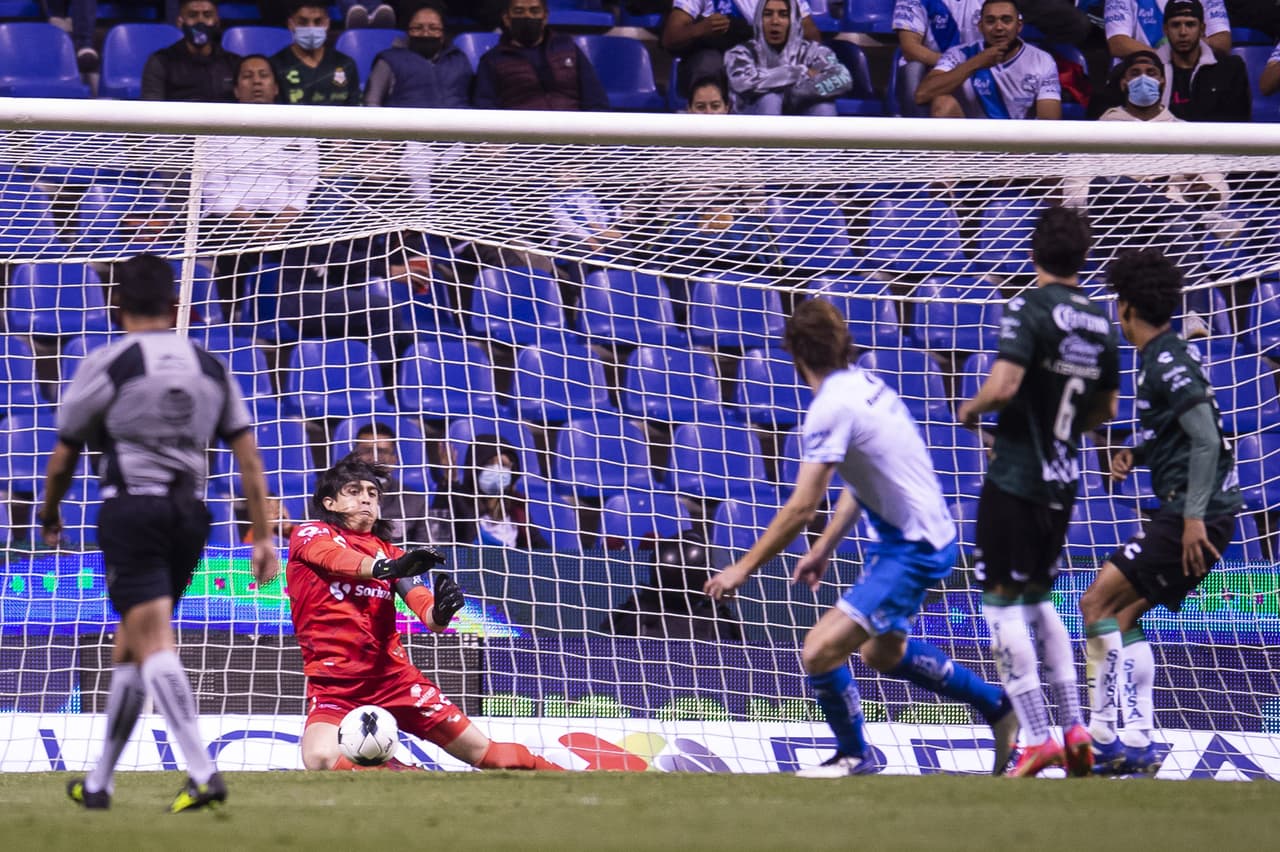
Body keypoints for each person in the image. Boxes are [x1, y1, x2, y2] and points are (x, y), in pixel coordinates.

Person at [704, 298, 1018, 778]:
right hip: (909, 537)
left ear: (795, 355)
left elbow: (801, 505)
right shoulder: (867, 384)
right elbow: (860, 481)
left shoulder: (830, 406)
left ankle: (854, 754)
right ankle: (997, 706)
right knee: (881, 652)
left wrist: (741, 567)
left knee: (819, 650)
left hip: (912, 547)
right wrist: (824, 547)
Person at [47, 254, 278, 812]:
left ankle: (202, 772)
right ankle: (99, 782)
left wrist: (49, 513)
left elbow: (63, 454)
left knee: (152, 641)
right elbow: (247, 456)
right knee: (131, 646)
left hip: (133, 512)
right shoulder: (209, 366)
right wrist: (263, 534)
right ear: (176, 305)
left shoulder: (109, 362)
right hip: (192, 517)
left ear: (115, 304)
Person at [957, 207, 1121, 778]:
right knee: (1039, 600)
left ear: (1034, 252)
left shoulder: (1028, 307)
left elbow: (1003, 386)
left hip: (1016, 479)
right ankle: (1076, 729)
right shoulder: (1101, 320)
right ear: (1083, 256)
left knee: (1002, 606)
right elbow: (1107, 410)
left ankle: (1035, 736)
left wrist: (971, 408)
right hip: (1063, 481)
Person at [287, 453, 563, 771]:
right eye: (354, 491)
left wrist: (442, 611)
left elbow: (427, 614)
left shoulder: (392, 553)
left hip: (396, 681)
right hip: (335, 686)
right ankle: (404, 774)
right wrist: (388, 567)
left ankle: (566, 777)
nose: (366, 499)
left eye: (372, 493)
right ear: (330, 503)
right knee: (320, 758)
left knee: (491, 756)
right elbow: (337, 560)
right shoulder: (311, 534)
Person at [1078, 249, 1242, 776]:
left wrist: (1192, 517)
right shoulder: (1170, 353)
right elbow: (1181, 430)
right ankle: (1140, 743)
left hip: (1195, 514)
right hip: (1206, 511)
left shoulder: (1165, 362)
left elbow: (1206, 439)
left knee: (1095, 602)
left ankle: (1103, 740)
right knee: (1123, 615)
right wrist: (1138, 452)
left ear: (1125, 308)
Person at [915, 0, 1061, 119]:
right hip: (969, 145)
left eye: (1006, 20)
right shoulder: (958, 54)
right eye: (990, 21)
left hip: (1018, 146)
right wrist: (976, 62)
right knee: (943, 104)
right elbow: (922, 94)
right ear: (980, 27)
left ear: (1019, 26)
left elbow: (1049, 121)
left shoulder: (1042, 61)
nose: (998, 27)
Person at [662, 0, 820, 100]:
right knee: (707, 64)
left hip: (761, 57)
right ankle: (708, 143)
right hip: (714, 55)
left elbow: (812, 36)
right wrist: (700, 29)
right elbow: (670, 38)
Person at [472, 0, 609, 111]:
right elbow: (485, 108)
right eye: (519, 12)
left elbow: (596, 100)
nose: (528, 16)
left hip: (573, 134)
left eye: (534, 11)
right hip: (521, 138)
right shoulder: (492, 59)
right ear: (507, 19)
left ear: (545, 17)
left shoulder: (568, 48)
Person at [724, 0, 851, 116]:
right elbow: (743, 82)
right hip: (752, 121)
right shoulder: (740, 54)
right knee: (770, 100)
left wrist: (797, 93)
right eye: (768, 14)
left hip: (799, 110)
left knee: (824, 107)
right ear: (759, 20)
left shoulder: (813, 51)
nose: (775, 21)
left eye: (783, 15)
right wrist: (798, 73)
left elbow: (843, 77)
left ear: (793, 20)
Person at [444, 435, 548, 549]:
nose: (497, 469)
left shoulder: (518, 512)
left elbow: (543, 552)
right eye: (489, 463)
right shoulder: (459, 504)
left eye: (503, 464)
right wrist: (450, 483)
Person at [363, 1, 473, 108]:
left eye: (433, 28)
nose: (425, 33)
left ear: (443, 32)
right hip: (406, 125)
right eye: (417, 28)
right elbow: (372, 104)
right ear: (408, 31)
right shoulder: (388, 60)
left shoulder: (459, 59)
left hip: (455, 125)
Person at [1156, 0, 1251, 121]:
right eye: (1175, 25)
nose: (1183, 32)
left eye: (1190, 24)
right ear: (1165, 30)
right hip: (1164, 138)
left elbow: (1238, 123)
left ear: (1202, 29)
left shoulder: (1230, 69)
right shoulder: (1151, 71)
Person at [893, 0, 983, 116]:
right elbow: (910, 48)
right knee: (943, 104)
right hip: (932, 73)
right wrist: (955, 66)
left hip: (983, 70)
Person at [351, 422, 434, 545]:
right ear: (354, 456)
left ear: (394, 459)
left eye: (382, 451)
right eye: (367, 451)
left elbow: (424, 549)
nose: (375, 457)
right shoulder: (334, 496)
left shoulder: (414, 501)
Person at [141, 0, 240, 102]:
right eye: (192, 15)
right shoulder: (160, 62)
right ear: (180, 21)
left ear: (217, 21)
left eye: (207, 15)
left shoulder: (233, 63)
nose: (200, 21)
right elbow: (152, 110)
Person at [270, 1, 361, 106]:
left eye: (318, 22)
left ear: (327, 23)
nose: (311, 28)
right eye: (303, 22)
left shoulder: (346, 64)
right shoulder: (276, 65)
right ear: (291, 24)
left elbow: (356, 110)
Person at [1104, 0, 1231, 58]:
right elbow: (1118, 43)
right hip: (1146, 71)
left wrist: (1188, 53)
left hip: (1195, 68)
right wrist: (1165, 59)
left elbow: (1222, 42)